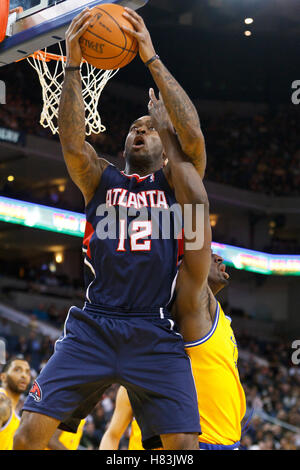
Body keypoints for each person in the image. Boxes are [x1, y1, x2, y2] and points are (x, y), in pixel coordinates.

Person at [14, 7, 207, 450]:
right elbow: (70, 142)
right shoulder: (101, 178)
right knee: (27, 440)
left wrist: (152, 59)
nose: (141, 131)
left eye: (150, 128)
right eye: (134, 129)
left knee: (183, 449)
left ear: (164, 141)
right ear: (123, 144)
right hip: (93, 326)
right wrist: (76, 63)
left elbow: (193, 137)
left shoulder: (176, 182)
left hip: (154, 330)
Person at [99, 97, 246, 450]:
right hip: (194, 443)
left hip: (227, 442)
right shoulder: (190, 296)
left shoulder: (219, 318)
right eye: (213, 255)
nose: (220, 261)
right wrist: (165, 129)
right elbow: (196, 201)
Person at [0, 356, 31, 450]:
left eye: (27, 372)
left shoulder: (15, 409)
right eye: (17, 370)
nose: (24, 375)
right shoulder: (2, 401)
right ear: (3, 377)